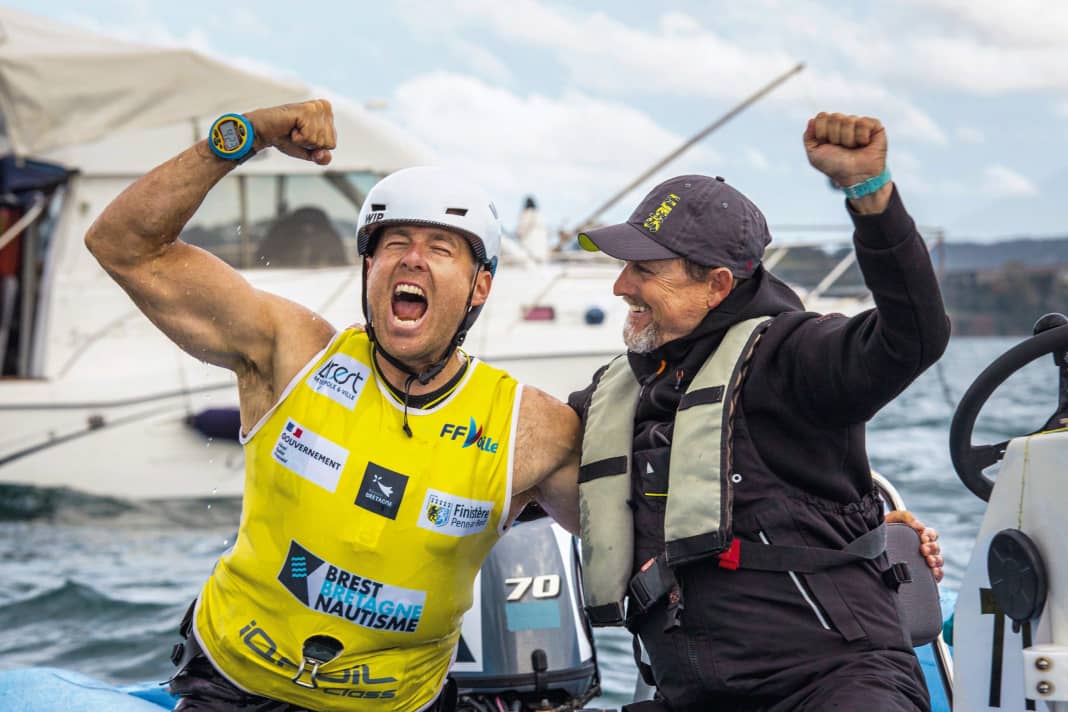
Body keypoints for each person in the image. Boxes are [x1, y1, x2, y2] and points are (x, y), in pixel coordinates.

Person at [84, 99, 581, 711]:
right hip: (233, 688)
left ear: (480, 285)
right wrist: (249, 135)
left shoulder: (530, 428)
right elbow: (124, 245)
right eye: (394, 242)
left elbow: (639, 543)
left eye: (442, 248)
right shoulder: (291, 353)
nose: (412, 259)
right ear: (369, 267)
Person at [570, 112, 949, 711]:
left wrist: (869, 197)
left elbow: (914, 337)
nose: (621, 286)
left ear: (717, 285)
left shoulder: (795, 357)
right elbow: (520, 448)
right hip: (690, 695)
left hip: (832, 682)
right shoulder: (618, 391)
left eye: (644, 270)